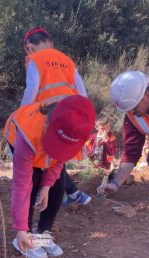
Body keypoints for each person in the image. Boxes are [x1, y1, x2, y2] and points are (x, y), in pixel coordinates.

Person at [11, 95, 95, 258]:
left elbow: (59, 159)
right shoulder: (28, 132)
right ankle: (23, 236)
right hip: (25, 147)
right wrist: (20, 228)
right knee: (32, 181)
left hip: (43, 148)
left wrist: (47, 186)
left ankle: (42, 233)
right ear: (49, 123)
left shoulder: (77, 129)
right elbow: (21, 185)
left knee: (58, 184)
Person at [19, 26, 92, 206]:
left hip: (48, 116)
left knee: (49, 158)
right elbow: (81, 91)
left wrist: (22, 116)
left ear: (29, 47)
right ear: (51, 42)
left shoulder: (34, 59)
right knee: (58, 157)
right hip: (70, 115)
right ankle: (74, 194)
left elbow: (31, 90)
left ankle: (67, 195)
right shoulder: (67, 60)